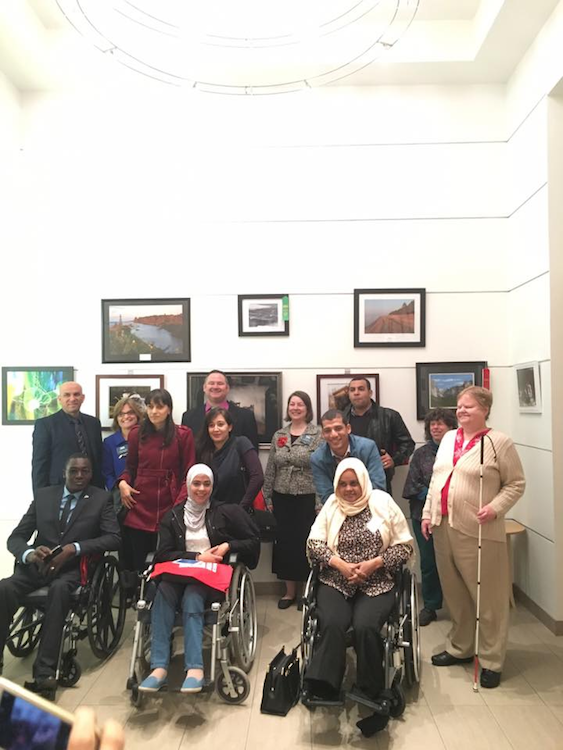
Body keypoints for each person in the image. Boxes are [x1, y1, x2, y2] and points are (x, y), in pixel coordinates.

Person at [422, 386, 526, 689]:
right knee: (455, 593)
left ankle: (492, 659)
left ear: (485, 409)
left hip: (479, 530)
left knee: (488, 597)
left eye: (468, 407)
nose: (461, 411)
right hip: (443, 527)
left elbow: (516, 484)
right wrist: (428, 514)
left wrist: (495, 508)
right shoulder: (449, 439)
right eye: (458, 406)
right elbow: (436, 479)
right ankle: (461, 646)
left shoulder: (498, 443)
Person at [0, 455, 120, 699]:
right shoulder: (44, 496)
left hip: (73, 570)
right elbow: (16, 538)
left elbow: (113, 538)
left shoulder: (100, 499)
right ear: (64, 473)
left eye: (84, 471)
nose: (78, 475)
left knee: (59, 592)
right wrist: (30, 553)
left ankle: (44, 673)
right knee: (4, 588)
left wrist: (73, 548)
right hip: (36, 568)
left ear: (90, 474)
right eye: (73, 471)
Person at [138, 464, 260, 694]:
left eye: (206, 484)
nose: (201, 489)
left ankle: (195, 669)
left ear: (212, 486)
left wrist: (227, 545)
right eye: (196, 483)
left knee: (193, 598)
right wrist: (196, 556)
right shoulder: (173, 516)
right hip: (176, 576)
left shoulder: (225, 512)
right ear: (188, 485)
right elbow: (163, 554)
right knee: (162, 593)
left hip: (206, 579)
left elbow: (253, 539)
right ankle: (158, 668)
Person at [303, 458, 413, 707]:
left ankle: (370, 688)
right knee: (331, 622)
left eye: (354, 483)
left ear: (363, 481)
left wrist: (374, 563)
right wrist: (340, 564)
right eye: (343, 484)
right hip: (336, 580)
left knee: (365, 626)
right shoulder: (332, 505)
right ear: (336, 485)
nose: (349, 489)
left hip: (376, 581)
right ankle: (325, 685)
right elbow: (315, 543)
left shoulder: (382, 503)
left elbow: (404, 546)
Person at [117, 389, 195, 573]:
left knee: (166, 556)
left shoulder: (183, 434)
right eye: (150, 407)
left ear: (169, 409)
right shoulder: (136, 433)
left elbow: (189, 473)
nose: (154, 411)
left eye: (159, 407)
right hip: (140, 500)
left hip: (171, 499)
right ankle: (137, 594)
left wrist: (179, 504)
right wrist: (122, 483)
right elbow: (130, 468)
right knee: (139, 557)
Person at [263, 391, 322, 609]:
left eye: (300, 404)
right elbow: (271, 466)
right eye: (292, 404)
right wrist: (267, 495)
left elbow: (320, 467)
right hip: (282, 497)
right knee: (285, 545)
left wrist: (320, 501)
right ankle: (289, 593)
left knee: (306, 545)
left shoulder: (318, 433)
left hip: (308, 497)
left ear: (308, 408)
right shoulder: (280, 434)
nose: (295, 408)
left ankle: (308, 592)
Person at [402, 407, 457, 626]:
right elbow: (411, 485)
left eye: (440, 423)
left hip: (453, 515)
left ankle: (459, 606)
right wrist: (435, 495)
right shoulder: (421, 454)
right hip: (422, 516)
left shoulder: (460, 451)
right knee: (429, 562)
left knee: (456, 562)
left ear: (451, 426)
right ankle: (432, 605)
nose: (435, 427)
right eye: (432, 424)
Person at [343, 377, 415, 493]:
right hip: (347, 481)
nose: (356, 393)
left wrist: (394, 460)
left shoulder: (389, 416)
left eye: (361, 389)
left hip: (379, 479)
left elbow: (408, 444)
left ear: (370, 393)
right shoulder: (341, 418)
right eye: (352, 390)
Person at [32, 381, 103, 492]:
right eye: (67, 395)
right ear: (59, 399)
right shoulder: (45, 425)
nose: (72, 398)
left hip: (92, 489)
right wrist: (40, 498)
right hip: (60, 490)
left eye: (76, 394)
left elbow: (98, 459)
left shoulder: (94, 423)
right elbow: (40, 464)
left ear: (83, 398)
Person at [310, 410, 386, 503]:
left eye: (338, 428)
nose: (333, 434)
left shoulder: (368, 448)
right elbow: (326, 495)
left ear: (348, 428)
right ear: (322, 434)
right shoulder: (317, 458)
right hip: (337, 508)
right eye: (327, 430)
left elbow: (377, 486)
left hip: (370, 504)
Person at [195, 407, 263, 508]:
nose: (216, 429)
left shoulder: (241, 443)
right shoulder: (203, 450)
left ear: (230, 427)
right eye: (211, 425)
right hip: (211, 512)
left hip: (239, 512)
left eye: (220, 424)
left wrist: (242, 507)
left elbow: (258, 477)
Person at [182, 370, 259, 449]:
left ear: (227, 388)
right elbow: (185, 451)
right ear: (204, 388)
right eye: (211, 383)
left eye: (220, 383)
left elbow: (252, 451)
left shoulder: (246, 416)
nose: (215, 387)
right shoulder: (188, 417)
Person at [101, 396, 146, 496]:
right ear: (116, 418)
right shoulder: (109, 443)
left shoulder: (147, 439)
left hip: (146, 494)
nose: (126, 417)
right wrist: (117, 490)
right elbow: (107, 473)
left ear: (137, 415)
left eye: (130, 413)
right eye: (121, 414)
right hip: (120, 495)